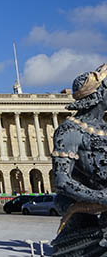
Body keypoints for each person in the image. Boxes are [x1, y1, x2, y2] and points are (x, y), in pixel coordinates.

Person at [51, 64, 107, 255]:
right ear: (98, 95)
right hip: (85, 211)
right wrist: (103, 197)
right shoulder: (70, 131)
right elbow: (62, 181)